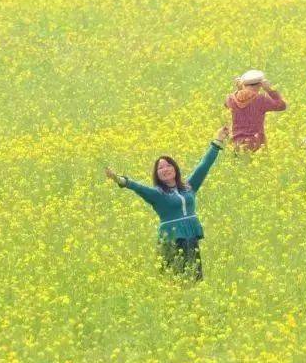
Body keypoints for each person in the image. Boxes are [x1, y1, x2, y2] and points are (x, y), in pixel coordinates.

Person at [105, 127, 229, 281]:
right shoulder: (157, 194)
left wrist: (218, 140)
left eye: (168, 165)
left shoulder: (188, 187)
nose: (165, 169)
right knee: (174, 281)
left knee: (194, 280)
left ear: (175, 168)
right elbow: (136, 186)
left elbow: (204, 165)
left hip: (190, 237)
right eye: (160, 168)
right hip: (172, 240)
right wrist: (117, 178)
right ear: (157, 174)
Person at [225, 70, 287, 150]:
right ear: (261, 84)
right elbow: (282, 106)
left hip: (236, 144)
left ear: (243, 84)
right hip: (256, 145)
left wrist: (239, 89)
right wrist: (269, 90)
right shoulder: (261, 99)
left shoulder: (231, 98)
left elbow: (226, 104)